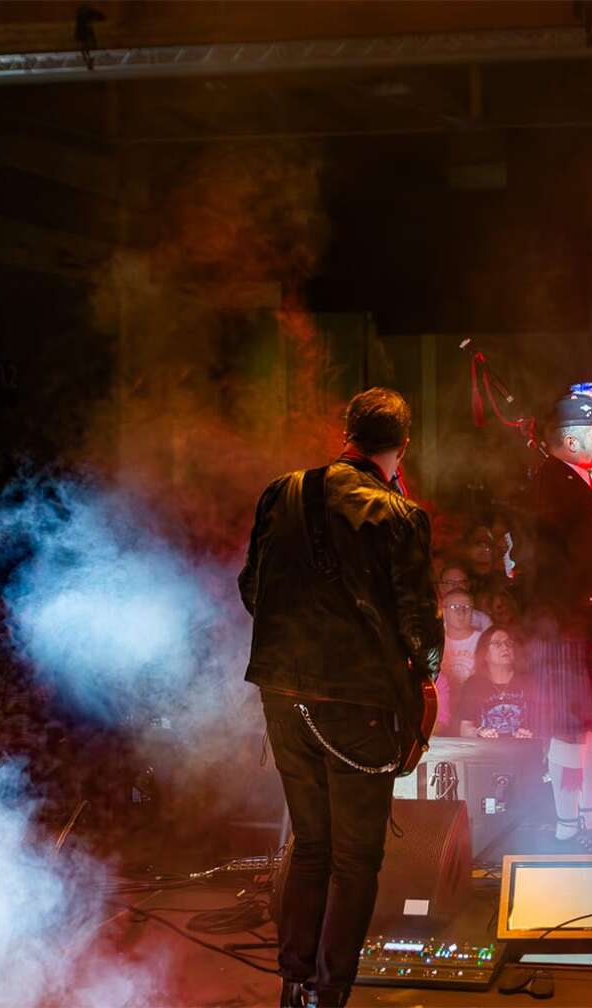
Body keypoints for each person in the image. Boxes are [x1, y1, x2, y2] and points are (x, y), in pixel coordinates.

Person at [238, 387, 443, 1008]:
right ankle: (331, 996)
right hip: (357, 705)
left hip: (281, 691)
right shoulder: (399, 514)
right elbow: (419, 628)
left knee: (311, 843)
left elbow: (252, 587)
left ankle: (293, 984)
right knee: (355, 859)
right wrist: (427, 676)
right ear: (401, 447)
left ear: (347, 432)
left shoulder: (284, 491)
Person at [522, 383, 592, 853]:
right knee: (572, 729)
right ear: (571, 441)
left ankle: (586, 818)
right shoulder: (561, 484)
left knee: (589, 725)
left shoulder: (567, 478)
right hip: (565, 626)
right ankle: (569, 829)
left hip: (580, 625)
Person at [455, 626, 531, 739]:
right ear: (484, 653)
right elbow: (464, 729)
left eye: (509, 643)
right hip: (485, 753)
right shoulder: (473, 685)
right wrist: (478, 733)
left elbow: (542, 724)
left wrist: (529, 733)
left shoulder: (528, 682)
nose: (505, 647)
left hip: (522, 752)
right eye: (497, 643)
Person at [435, 589, 484, 735]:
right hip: (440, 711)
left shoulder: (482, 641)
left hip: (469, 712)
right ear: (443, 611)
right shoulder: (435, 640)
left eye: (467, 608)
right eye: (455, 607)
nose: (461, 613)